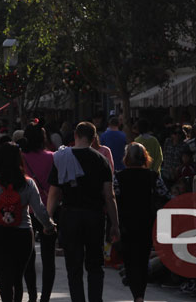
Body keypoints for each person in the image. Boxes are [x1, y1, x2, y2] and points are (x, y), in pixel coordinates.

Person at [47, 121, 119, 302]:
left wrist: (48, 217)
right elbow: (109, 196)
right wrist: (115, 223)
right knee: (95, 265)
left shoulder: (62, 157)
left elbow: (54, 192)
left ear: (75, 136)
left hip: (70, 215)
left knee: (74, 266)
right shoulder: (101, 160)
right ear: (94, 138)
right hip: (95, 216)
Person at [0, 142, 54, 302]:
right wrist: (48, 225)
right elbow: (39, 209)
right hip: (23, 234)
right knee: (17, 277)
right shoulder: (28, 183)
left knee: (4, 276)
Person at [113, 143, 169, 302]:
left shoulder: (119, 177)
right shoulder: (153, 177)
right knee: (143, 260)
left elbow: (113, 199)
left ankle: (136, 295)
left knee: (130, 261)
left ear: (127, 159)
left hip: (126, 224)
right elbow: (165, 196)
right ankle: (140, 295)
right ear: (145, 158)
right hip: (146, 223)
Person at [21, 122, 56, 302]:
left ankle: (32, 294)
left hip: (27, 211)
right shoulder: (52, 157)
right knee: (48, 257)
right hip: (48, 210)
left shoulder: (21, 157)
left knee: (29, 256)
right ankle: (46, 297)